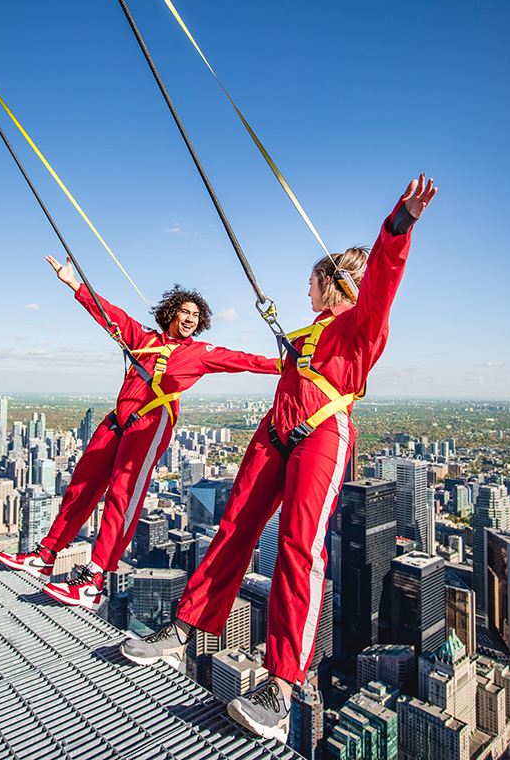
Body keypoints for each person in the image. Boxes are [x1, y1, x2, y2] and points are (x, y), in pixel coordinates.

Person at [119, 174, 437, 743]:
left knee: (298, 547)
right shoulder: (309, 333)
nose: (306, 291)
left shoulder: (357, 327)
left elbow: (383, 284)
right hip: (276, 431)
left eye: (313, 283)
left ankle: (282, 686)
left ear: (331, 284)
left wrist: (400, 223)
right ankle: (190, 625)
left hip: (321, 433)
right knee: (235, 526)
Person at [0, 256, 279, 610]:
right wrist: (74, 284)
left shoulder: (200, 353)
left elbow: (244, 360)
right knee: (82, 485)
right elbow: (108, 314)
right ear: (171, 312)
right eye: (185, 312)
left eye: (196, 315)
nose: (190, 319)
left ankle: (95, 578)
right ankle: (48, 553)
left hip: (151, 420)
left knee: (122, 495)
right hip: (119, 419)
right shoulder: (142, 338)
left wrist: (288, 364)